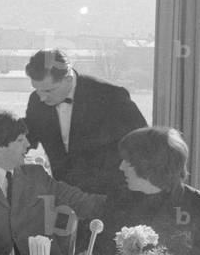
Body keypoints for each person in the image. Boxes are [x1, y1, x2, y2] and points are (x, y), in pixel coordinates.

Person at [0, 110, 104, 255]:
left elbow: (82, 202)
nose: (28, 144)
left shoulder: (37, 175)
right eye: (20, 140)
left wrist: (118, 202)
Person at [95, 127, 200, 255]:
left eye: (128, 161)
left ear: (149, 164)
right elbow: (105, 249)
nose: (121, 166)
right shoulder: (119, 199)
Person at [23, 49, 146, 195]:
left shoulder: (111, 96)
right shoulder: (36, 101)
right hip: (66, 195)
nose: (42, 98)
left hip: (112, 195)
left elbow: (143, 144)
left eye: (49, 91)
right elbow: (27, 138)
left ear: (68, 79)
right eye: (37, 90)